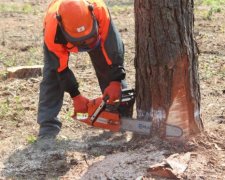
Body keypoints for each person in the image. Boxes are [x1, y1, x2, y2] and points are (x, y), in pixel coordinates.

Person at [37, 0, 127, 138]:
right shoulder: (52, 30)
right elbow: (60, 69)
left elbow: (113, 46)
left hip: (98, 36)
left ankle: (120, 115)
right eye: (80, 41)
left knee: (106, 63)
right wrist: (75, 95)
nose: (86, 44)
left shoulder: (99, 10)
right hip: (60, 37)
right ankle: (47, 128)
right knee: (52, 76)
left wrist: (116, 81)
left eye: (88, 39)